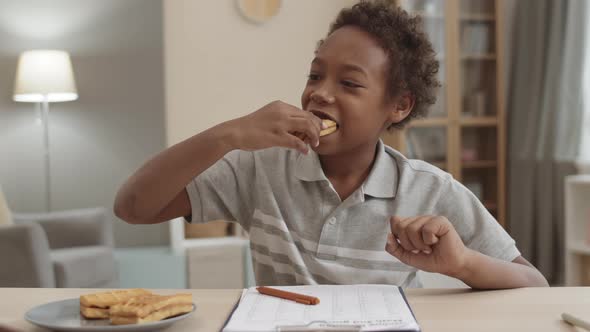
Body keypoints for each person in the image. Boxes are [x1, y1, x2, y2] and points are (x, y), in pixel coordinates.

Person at [114, 0, 548, 288]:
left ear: (398, 106)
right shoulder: (259, 168)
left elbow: (534, 286)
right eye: (315, 75)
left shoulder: (431, 191)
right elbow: (132, 207)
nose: (320, 93)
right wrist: (229, 134)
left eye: (349, 83)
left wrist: (462, 265)